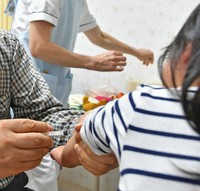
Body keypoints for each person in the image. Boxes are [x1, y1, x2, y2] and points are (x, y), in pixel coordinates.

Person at [5, 1, 154, 190]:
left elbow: (98, 35)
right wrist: (91, 62)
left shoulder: (76, 3)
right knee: (39, 172)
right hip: (27, 96)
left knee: (52, 161)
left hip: (54, 95)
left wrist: (137, 52)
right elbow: (38, 46)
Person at [51, 3, 200, 191]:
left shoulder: (140, 104)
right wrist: (92, 62)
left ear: (185, 53)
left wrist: (64, 155)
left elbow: (84, 131)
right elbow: (38, 45)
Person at [0, 30, 117, 191]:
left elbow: (41, 114)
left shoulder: (7, 45)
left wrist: (88, 126)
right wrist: (91, 62)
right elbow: (39, 46)